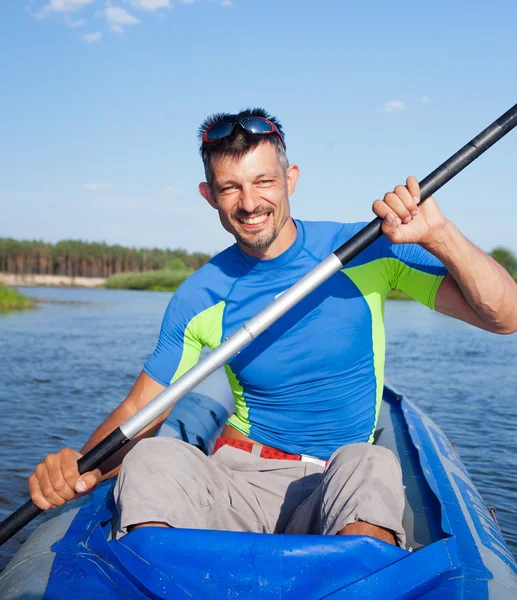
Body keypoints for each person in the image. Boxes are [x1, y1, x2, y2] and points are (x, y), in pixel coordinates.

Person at [28, 108, 517, 548]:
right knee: (152, 459)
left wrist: (441, 237)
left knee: (372, 465)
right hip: (239, 476)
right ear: (209, 196)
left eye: (263, 181)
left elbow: (505, 317)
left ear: (291, 178)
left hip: (336, 478)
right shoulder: (201, 295)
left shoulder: (368, 248)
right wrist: (77, 468)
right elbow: (140, 409)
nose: (249, 202)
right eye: (230, 187)